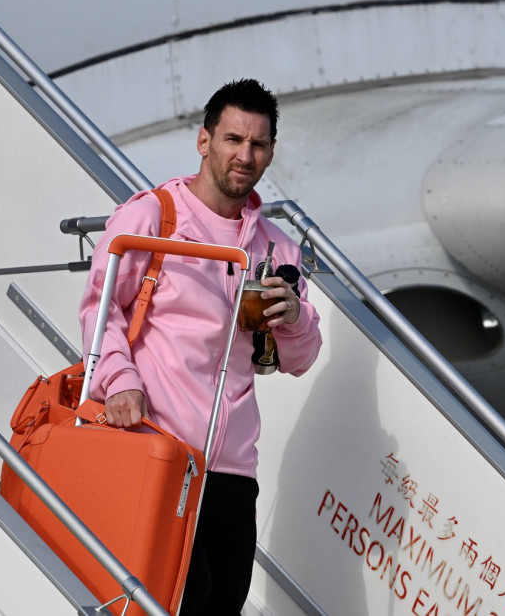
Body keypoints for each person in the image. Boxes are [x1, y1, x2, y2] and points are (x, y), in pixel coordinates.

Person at [78, 78, 322, 615]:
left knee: (219, 607)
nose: (245, 156)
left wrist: (295, 316)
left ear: (271, 152)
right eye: (233, 139)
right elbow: (99, 309)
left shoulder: (277, 248)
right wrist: (120, 382)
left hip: (232, 470)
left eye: (258, 144)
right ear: (204, 140)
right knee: (173, 600)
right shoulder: (153, 216)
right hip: (156, 447)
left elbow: (301, 360)